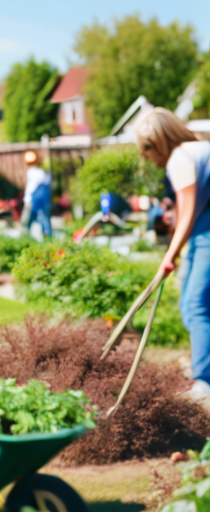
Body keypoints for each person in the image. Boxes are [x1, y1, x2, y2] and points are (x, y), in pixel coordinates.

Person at [136, 107, 210, 403]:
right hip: (204, 230)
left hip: (207, 231)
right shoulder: (198, 148)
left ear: (160, 142)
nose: (145, 157)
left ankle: (203, 382)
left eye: (146, 149)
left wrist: (170, 254)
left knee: (194, 304)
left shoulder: (180, 158)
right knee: (190, 302)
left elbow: (189, 211)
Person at [21, 151, 52, 238]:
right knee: (44, 217)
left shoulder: (33, 172)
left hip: (33, 199)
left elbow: (31, 188)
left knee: (28, 219)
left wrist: (27, 199)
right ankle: (47, 235)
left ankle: (26, 236)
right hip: (44, 199)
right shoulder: (45, 173)